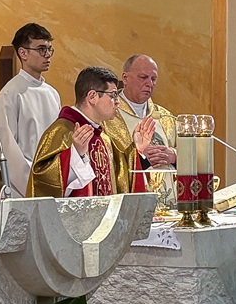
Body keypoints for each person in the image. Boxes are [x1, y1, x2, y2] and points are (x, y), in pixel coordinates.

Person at [27, 65, 155, 198]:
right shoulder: (62, 131)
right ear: (92, 96)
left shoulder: (106, 137)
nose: (118, 102)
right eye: (113, 95)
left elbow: (123, 177)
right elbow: (42, 180)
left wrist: (138, 151)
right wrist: (75, 155)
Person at [0, 23, 61, 197]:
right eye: (41, 49)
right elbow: (4, 145)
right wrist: (32, 183)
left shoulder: (52, 94)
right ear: (23, 53)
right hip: (22, 188)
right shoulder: (11, 93)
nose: (47, 55)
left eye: (50, 49)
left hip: (52, 182)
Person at [103, 54, 177, 207]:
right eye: (143, 77)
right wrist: (139, 156)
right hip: (131, 205)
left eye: (153, 79)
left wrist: (174, 156)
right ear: (125, 78)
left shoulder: (166, 117)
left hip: (169, 206)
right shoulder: (108, 117)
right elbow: (106, 161)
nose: (149, 83)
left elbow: (190, 156)